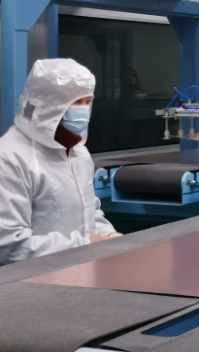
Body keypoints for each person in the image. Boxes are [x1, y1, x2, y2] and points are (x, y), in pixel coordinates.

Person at [0, 59, 120, 265]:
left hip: (79, 269)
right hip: (31, 278)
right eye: (76, 102)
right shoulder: (9, 157)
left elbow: (89, 213)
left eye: (87, 101)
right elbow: (8, 244)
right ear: (49, 106)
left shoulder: (78, 153)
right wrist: (85, 245)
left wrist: (109, 236)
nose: (84, 110)